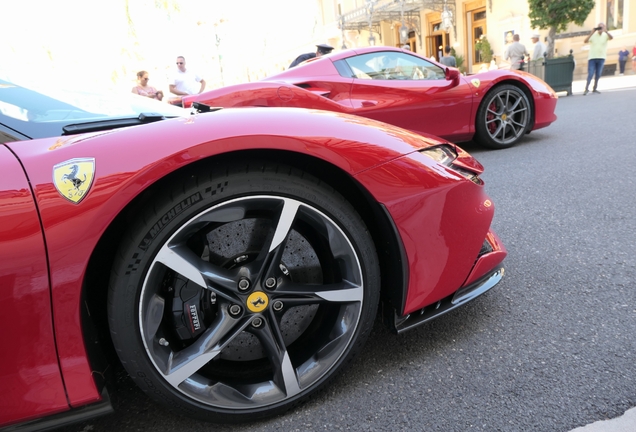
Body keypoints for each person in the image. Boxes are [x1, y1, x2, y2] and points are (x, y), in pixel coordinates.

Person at [583, 23, 613, 95]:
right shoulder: (593, 35)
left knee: (598, 74)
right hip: (592, 58)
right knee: (590, 73)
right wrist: (591, 33)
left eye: (602, 27)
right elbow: (585, 41)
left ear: (604, 28)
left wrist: (606, 31)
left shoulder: (606, 35)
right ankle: (586, 89)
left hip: (601, 57)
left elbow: (611, 38)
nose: (600, 29)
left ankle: (595, 88)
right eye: (599, 27)